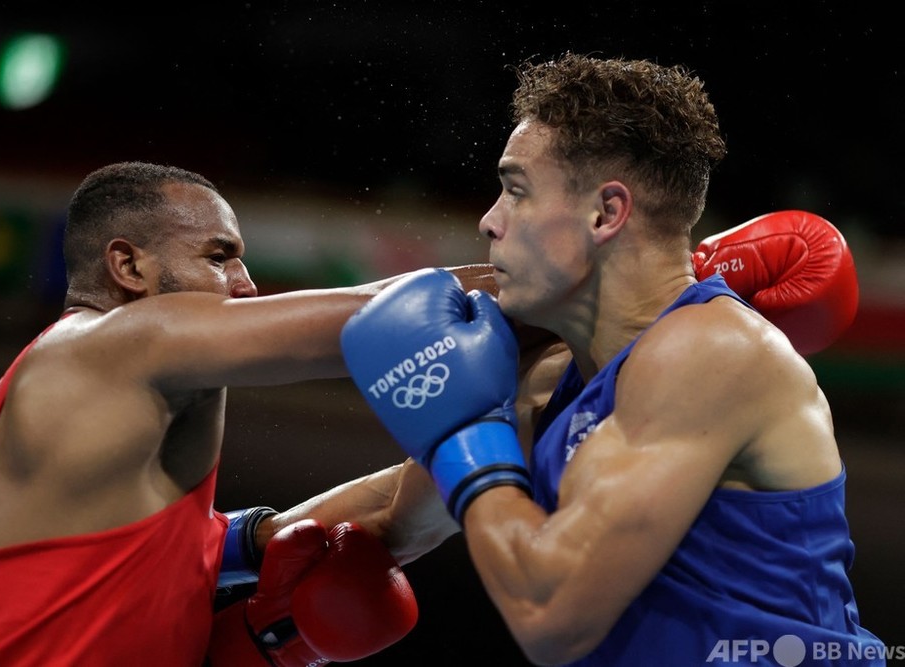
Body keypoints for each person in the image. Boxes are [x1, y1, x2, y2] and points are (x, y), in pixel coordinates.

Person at [340, 52, 884, 666]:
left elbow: (552, 617)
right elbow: (395, 515)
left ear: (606, 213)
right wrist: (239, 546)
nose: (489, 221)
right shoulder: (557, 384)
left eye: (516, 190)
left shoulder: (714, 350)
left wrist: (467, 431)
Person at [0, 161, 475, 666]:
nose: (247, 284)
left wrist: (517, 427)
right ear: (128, 266)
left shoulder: (133, 477)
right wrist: (547, 294)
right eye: (217, 257)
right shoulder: (107, 342)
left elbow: (382, 521)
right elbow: (394, 318)